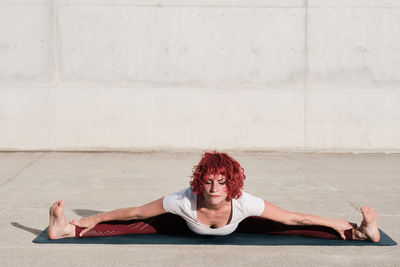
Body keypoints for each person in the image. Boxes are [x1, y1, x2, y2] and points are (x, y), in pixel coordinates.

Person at [48, 151, 380, 242]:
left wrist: (340, 223)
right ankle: (67, 230)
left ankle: (359, 233)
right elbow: (134, 211)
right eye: (209, 181)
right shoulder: (182, 200)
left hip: (240, 226)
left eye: (222, 182)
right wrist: (92, 218)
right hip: (181, 226)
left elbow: (296, 218)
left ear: (232, 184)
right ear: (199, 183)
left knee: (286, 227)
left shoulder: (245, 202)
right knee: (138, 225)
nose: (215, 187)